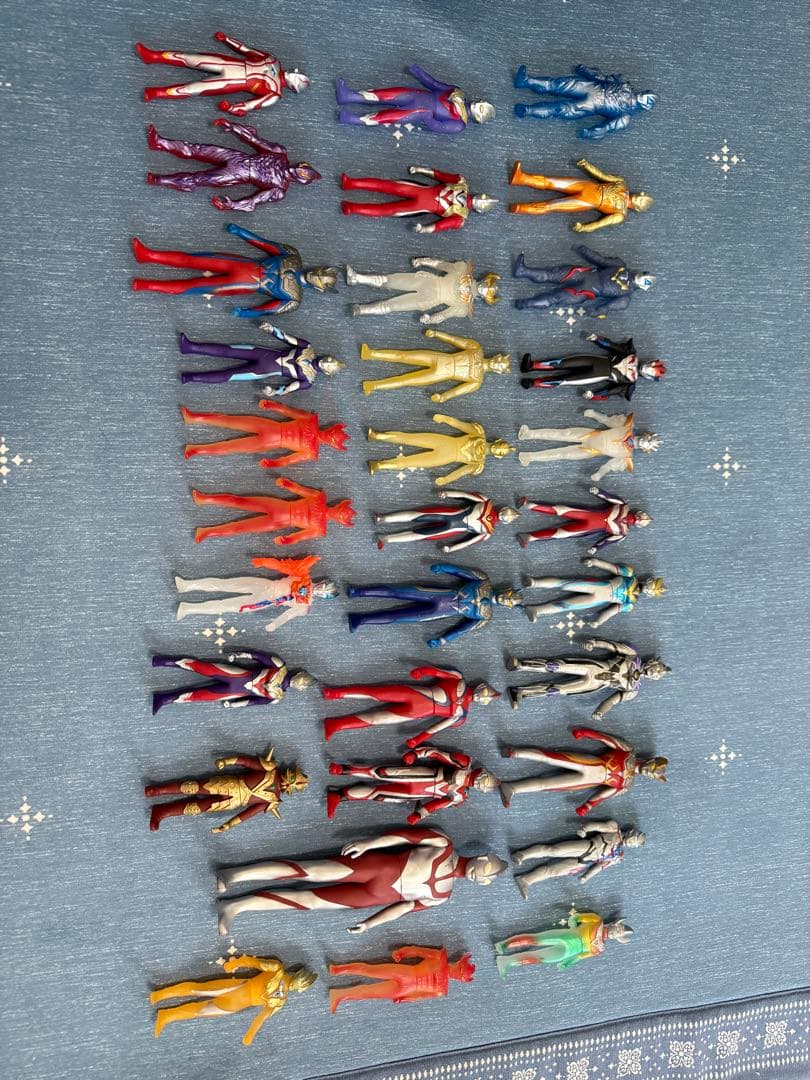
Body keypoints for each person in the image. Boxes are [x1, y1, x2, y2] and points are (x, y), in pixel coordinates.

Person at [215, 827, 507, 935]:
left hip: (374, 897)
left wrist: (370, 924)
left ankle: (237, 905)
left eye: (488, 879)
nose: (483, 878)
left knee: (307, 901)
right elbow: (404, 836)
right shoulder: (444, 844)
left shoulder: (442, 897)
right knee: (308, 871)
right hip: (376, 868)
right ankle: (236, 874)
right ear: (482, 858)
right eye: (488, 870)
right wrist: (370, 844)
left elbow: (403, 909)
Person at [131, 224, 337, 317]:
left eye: (322, 280)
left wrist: (246, 313)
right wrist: (241, 232)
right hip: (240, 264)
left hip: (242, 284)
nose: (318, 275)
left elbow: (267, 309)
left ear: (320, 288)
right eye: (322, 272)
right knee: (190, 259)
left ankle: (146, 285)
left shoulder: (294, 299)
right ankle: (148, 255)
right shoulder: (293, 255)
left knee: (192, 286)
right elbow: (264, 243)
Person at [146, 121, 320, 212]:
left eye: (302, 173)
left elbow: (255, 201)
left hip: (237, 174)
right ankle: (160, 142)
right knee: (197, 149)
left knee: (198, 178)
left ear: (300, 180)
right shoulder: (280, 153)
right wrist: (234, 127)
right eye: (301, 167)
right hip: (238, 157)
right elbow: (256, 140)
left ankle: (160, 180)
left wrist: (233, 205)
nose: (298, 169)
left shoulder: (279, 189)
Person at [498, 726, 668, 815]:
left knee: (546, 784)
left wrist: (588, 805)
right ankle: (515, 752)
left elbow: (603, 795)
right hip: (589, 762)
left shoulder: (625, 785)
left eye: (653, 775)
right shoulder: (628, 751)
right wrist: (587, 733)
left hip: (587, 781)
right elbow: (607, 739)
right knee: (551, 757)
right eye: (653, 769)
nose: (649, 772)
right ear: (652, 761)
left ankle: (512, 788)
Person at [150, 955, 316, 1045]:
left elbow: (262, 1017)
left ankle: (166, 1014)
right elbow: (254, 962)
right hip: (237, 989)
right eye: (304, 984)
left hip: (234, 1004)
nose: (301, 988)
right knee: (197, 991)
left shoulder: (280, 999)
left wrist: (250, 1034)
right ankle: (160, 996)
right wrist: (235, 963)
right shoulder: (277, 970)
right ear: (300, 977)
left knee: (198, 1007)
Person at [346, 563, 521, 647]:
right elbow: (462, 572)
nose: (506, 599)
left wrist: (443, 640)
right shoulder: (484, 581)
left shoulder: (485, 616)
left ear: (508, 607)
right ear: (507, 590)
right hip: (435, 594)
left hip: (437, 612)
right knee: (398, 591)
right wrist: (444, 568)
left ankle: (361, 619)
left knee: (398, 617)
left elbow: (462, 630)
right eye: (509, 596)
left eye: (509, 602)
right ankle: (358, 592)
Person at [322, 666, 499, 746]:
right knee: (375, 693)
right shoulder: (459, 679)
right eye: (486, 693)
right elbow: (438, 672)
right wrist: (422, 672)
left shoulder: (461, 716)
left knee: (375, 719)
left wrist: (418, 739)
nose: (484, 697)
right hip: (412, 694)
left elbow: (436, 728)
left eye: (487, 699)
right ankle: (335, 693)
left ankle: (337, 724)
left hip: (413, 712)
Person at [136, 32, 310, 114]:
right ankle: (152, 56)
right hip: (229, 63)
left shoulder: (274, 94)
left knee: (191, 89)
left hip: (231, 82)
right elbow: (246, 50)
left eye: (298, 78)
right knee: (190, 58)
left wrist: (231, 108)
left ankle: (156, 93)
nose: (295, 74)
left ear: (294, 87)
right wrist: (227, 39)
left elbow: (250, 106)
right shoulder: (273, 60)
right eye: (298, 73)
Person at [145, 747, 308, 832]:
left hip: (232, 803)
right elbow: (247, 762)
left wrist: (228, 825)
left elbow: (248, 814)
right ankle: (157, 790)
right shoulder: (270, 769)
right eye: (292, 780)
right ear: (290, 774)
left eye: (293, 785)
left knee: (195, 808)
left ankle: (162, 812)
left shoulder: (273, 801)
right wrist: (227, 761)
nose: (288, 784)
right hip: (229, 784)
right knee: (192, 786)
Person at [326, 745, 499, 823]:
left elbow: (436, 805)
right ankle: (342, 769)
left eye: (484, 786)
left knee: (377, 794)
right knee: (380, 772)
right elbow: (437, 754)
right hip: (418, 776)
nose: (481, 784)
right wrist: (416, 754)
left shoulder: (460, 796)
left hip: (414, 794)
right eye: (485, 781)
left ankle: (340, 796)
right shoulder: (464, 763)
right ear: (483, 772)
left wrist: (419, 814)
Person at [507, 637, 670, 718]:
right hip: (593, 666)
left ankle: (520, 692)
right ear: (654, 662)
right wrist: (594, 643)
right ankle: (520, 665)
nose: (656, 673)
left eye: (658, 674)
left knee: (557, 690)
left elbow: (612, 701)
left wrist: (601, 711)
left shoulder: (633, 691)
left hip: (594, 685)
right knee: (555, 665)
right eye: (658, 668)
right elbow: (612, 646)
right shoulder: (633, 654)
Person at [174, 555, 337, 632]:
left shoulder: (304, 606)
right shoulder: (303, 575)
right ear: (323, 581)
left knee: (225, 606)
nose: (321, 590)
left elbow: (288, 615)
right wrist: (265, 562)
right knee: (226, 583)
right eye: (324, 586)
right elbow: (282, 567)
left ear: (325, 598)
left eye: (325, 593)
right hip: (265, 585)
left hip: (263, 601)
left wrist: (275, 624)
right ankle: (186, 585)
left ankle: (188, 608)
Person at [180, 401, 349, 467]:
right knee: (229, 420)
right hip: (269, 426)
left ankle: (196, 449)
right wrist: (273, 405)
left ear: (331, 445)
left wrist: (274, 463)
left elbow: (289, 459)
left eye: (331, 439)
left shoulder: (311, 451)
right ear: (330, 429)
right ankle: (194, 417)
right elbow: (289, 411)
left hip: (268, 443)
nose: (327, 437)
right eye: (331, 434)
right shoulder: (310, 420)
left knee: (230, 447)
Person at [191, 478, 355, 545]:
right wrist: (287, 484)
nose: (335, 514)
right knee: (239, 501)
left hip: (278, 523)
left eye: (340, 517)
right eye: (339, 511)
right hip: (278, 506)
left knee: (240, 527)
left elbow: (300, 536)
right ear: (338, 505)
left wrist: (287, 540)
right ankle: (205, 498)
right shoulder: (318, 497)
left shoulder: (319, 529)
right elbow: (299, 489)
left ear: (339, 521)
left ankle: (207, 532)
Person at [513, 63, 655, 139]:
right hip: (591, 87)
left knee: (559, 109)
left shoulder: (625, 117)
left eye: (646, 99)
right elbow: (603, 77)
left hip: (591, 106)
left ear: (645, 106)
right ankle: (525, 81)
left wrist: (590, 133)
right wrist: (586, 71)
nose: (643, 95)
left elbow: (607, 127)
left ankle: (527, 110)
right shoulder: (625, 84)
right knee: (557, 84)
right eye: (645, 93)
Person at [336, 64, 494, 133]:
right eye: (482, 102)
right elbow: (435, 84)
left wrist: (427, 117)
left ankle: (352, 119)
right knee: (385, 94)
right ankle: (348, 96)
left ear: (478, 118)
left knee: (386, 116)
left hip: (418, 111)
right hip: (417, 94)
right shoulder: (457, 92)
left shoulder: (459, 124)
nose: (479, 103)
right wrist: (419, 73)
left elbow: (439, 127)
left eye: (482, 108)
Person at [178, 327, 344, 391]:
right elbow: (287, 338)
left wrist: (273, 392)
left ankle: (190, 377)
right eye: (329, 359)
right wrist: (272, 330)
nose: (325, 362)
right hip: (263, 353)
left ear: (327, 373)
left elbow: (287, 389)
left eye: (328, 366)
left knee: (229, 375)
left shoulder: (309, 380)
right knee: (227, 350)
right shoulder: (307, 347)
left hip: (264, 370)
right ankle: (190, 347)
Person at [360, 329, 510, 400]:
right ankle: (371, 353)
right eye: (499, 360)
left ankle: (373, 386)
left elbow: (457, 391)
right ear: (496, 356)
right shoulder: (477, 349)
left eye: (500, 366)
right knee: (404, 355)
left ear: (499, 371)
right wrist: (437, 334)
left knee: (406, 380)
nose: (496, 363)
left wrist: (443, 397)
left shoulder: (477, 381)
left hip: (439, 375)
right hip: (439, 358)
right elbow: (455, 340)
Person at [368, 414, 513, 486]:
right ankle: (377, 435)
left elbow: (460, 472)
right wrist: (445, 419)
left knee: (409, 462)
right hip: (444, 441)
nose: (498, 449)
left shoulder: (478, 465)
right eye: (501, 445)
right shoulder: (478, 433)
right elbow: (459, 424)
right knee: (409, 438)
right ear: (498, 441)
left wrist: (447, 479)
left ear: (498, 456)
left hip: (443, 458)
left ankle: (379, 465)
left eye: (500, 452)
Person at [517, 409, 660, 482]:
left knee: (562, 454)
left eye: (648, 444)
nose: (645, 441)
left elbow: (609, 466)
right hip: (591, 434)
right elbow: (607, 420)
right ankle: (529, 433)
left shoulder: (626, 457)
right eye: (648, 439)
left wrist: (599, 474)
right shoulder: (626, 426)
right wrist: (594, 414)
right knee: (563, 433)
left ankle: (530, 457)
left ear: (646, 449)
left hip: (590, 451)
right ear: (646, 434)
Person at [521, 555, 666, 627]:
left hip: (597, 600)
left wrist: (598, 621)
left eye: (653, 590)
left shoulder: (629, 604)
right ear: (650, 580)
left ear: (650, 595)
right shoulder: (629, 573)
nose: (650, 588)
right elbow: (610, 567)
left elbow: (610, 612)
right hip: (598, 586)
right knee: (564, 583)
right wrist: (595, 562)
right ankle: (535, 582)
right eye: (652, 585)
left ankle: (537, 610)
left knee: (565, 606)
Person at [150, 650, 313, 713]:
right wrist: (238, 655)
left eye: (303, 685)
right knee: (201, 667)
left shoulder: (277, 698)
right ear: (300, 674)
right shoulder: (280, 666)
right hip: (237, 675)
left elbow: (251, 702)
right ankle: (162, 660)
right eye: (303, 680)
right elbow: (258, 656)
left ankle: (164, 699)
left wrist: (234, 705)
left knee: (198, 696)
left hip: (234, 692)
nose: (300, 683)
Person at [509, 158, 652, 229]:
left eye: (641, 201)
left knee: (551, 206)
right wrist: (587, 166)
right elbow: (603, 176)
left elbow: (600, 223)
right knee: (551, 181)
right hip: (587, 186)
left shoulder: (620, 214)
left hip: (587, 202)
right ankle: (521, 178)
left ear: (637, 208)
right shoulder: (622, 183)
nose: (639, 198)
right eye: (642, 197)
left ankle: (521, 208)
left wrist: (585, 228)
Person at [341, 167, 496, 232]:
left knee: (387, 209)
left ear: (479, 209)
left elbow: (439, 226)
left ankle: (352, 207)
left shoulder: (460, 218)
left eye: (482, 203)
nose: (480, 201)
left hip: (419, 205)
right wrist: (419, 170)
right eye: (483, 199)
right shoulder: (461, 182)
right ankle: (351, 184)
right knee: (387, 187)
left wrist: (424, 229)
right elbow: (438, 175)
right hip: (419, 191)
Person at [513, 821, 646, 896]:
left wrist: (586, 877)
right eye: (635, 839)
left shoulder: (618, 856)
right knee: (553, 850)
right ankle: (522, 854)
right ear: (631, 832)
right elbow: (597, 826)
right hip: (587, 846)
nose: (633, 843)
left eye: (635, 844)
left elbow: (600, 866)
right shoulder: (614, 828)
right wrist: (584, 829)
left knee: (553, 871)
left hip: (585, 862)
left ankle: (526, 880)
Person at [513, 245, 654, 315]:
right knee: (552, 274)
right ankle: (522, 271)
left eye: (638, 280)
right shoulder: (620, 265)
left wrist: (595, 311)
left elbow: (606, 308)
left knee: (555, 298)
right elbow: (601, 260)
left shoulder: (625, 298)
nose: (633, 277)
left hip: (585, 292)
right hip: (584, 274)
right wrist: (586, 251)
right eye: (640, 275)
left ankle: (525, 304)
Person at [347, 258, 500, 323]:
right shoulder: (462, 269)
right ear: (485, 279)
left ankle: (362, 310)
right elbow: (441, 264)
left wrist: (430, 319)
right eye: (487, 284)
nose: (484, 287)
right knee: (390, 280)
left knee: (392, 306)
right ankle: (357, 278)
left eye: (488, 290)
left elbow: (444, 315)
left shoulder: (463, 308)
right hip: (427, 281)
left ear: (485, 297)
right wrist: (423, 261)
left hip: (428, 300)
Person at [329, 946, 474, 1012]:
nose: (457, 976)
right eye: (460, 970)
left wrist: (406, 999)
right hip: (406, 973)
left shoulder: (441, 991)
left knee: (369, 992)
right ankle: (338, 969)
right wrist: (404, 952)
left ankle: (339, 995)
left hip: (405, 989)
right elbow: (419, 951)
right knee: (370, 970)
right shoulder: (440, 958)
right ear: (459, 963)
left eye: (461, 977)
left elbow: (421, 996)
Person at [521, 333, 666, 398]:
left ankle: (533, 383)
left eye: (650, 371)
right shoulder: (630, 353)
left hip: (596, 375)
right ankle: (532, 365)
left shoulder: (630, 384)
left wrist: (594, 395)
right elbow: (611, 345)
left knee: (564, 380)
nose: (647, 368)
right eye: (650, 366)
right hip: (597, 360)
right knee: (563, 362)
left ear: (649, 376)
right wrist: (597, 339)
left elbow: (609, 392)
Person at [494, 913, 633, 978]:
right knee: (536, 939)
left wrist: (568, 963)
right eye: (618, 929)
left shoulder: (598, 949)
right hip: (568, 935)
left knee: (538, 958)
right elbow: (576, 917)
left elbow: (580, 956)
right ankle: (505, 944)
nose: (616, 932)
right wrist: (573, 924)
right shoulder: (597, 921)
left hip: (567, 952)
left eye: (619, 934)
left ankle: (507, 961)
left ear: (618, 939)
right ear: (615, 924)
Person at [375, 490, 518, 552]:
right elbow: (465, 495)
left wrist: (451, 548)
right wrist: (447, 493)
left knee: (418, 534)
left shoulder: (487, 532)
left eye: (506, 517)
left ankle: (386, 538)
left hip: (450, 529)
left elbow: (468, 542)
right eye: (506, 513)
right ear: (504, 508)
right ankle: (383, 518)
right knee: (417, 515)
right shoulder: (486, 502)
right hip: (449, 514)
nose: (504, 516)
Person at [517, 486, 651, 551]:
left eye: (640, 521)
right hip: (589, 514)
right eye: (641, 517)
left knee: (560, 534)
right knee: (561, 509)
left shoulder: (622, 533)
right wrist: (598, 492)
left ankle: (529, 537)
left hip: (588, 527)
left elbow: (606, 542)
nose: (638, 519)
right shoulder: (623, 506)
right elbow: (608, 497)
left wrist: (596, 548)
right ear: (638, 513)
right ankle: (529, 505)